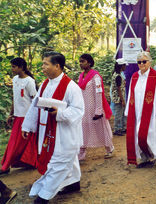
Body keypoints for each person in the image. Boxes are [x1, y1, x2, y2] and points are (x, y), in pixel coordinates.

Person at [21, 51, 84, 203]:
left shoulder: (71, 87)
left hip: (64, 132)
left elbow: (78, 110)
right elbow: (35, 106)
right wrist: (27, 126)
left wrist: (60, 113)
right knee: (66, 158)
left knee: (59, 162)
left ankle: (44, 196)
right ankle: (74, 182)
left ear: (57, 66)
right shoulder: (45, 84)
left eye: (45, 64)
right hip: (47, 130)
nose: (42, 67)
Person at [125, 51, 156, 168]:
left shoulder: (155, 76)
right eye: (139, 62)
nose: (141, 64)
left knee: (148, 134)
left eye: (144, 61)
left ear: (149, 62)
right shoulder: (135, 76)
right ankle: (144, 157)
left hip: (151, 112)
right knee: (138, 134)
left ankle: (151, 155)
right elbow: (131, 94)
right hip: (137, 111)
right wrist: (128, 110)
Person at [1, 58, 37, 175]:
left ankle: (5, 166)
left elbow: (35, 100)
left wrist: (33, 117)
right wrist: (11, 114)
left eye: (14, 67)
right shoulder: (15, 79)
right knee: (18, 142)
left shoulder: (29, 81)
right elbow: (15, 98)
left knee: (16, 142)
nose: (12, 69)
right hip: (17, 115)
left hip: (26, 116)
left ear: (21, 67)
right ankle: (25, 162)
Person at [78, 54, 114, 160]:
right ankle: (81, 153)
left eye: (83, 61)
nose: (80, 63)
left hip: (95, 108)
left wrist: (98, 110)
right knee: (83, 129)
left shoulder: (95, 76)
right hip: (84, 109)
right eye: (80, 61)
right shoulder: (81, 76)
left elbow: (99, 93)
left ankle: (109, 148)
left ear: (89, 62)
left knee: (101, 129)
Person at [110, 58, 127, 136]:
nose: (125, 67)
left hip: (118, 98)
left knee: (120, 113)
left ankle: (121, 128)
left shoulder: (117, 75)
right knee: (118, 114)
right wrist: (122, 100)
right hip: (119, 98)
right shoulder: (118, 76)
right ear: (121, 66)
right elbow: (119, 89)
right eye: (124, 65)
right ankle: (117, 129)